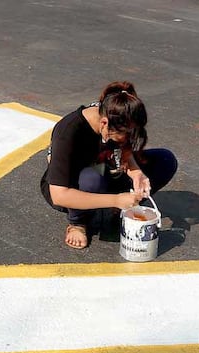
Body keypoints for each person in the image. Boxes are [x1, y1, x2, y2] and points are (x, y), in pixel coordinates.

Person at [40, 81, 177, 249]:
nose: (127, 141)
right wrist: (116, 199)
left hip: (106, 171)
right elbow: (59, 195)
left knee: (165, 160)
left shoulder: (113, 114)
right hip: (73, 186)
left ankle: (118, 207)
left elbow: (124, 150)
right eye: (124, 137)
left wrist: (136, 172)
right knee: (92, 177)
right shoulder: (68, 132)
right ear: (104, 124)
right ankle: (77, 222)